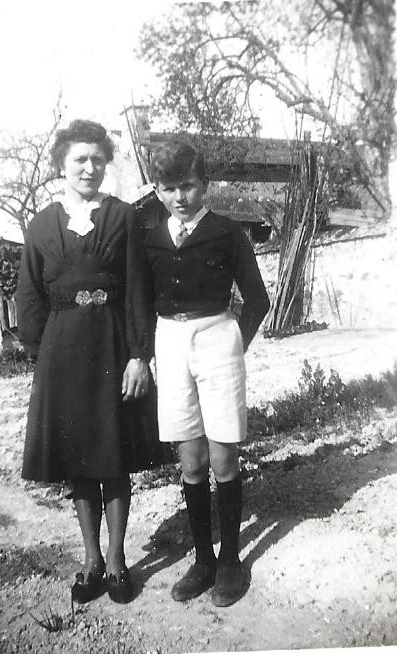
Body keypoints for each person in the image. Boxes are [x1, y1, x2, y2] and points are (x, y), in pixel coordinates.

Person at [16, 119, 163, 605]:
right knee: (80, 461)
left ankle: (117, 561)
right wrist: (44, 355)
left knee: (113, 456)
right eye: (80, 158)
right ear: (61, 164)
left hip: (113, 347)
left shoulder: (123, 217)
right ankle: (91, 560)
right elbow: (29, 297)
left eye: (98, 159)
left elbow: (139, 289)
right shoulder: (41, 225)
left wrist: (139, 355)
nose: (89, 167)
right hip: (63, 357)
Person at [144, 140, 270, 607]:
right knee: (192, 460)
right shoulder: (151, 238)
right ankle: (203, 559)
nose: (180, 197)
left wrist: (235, 342)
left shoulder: (227, 232)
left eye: (189, 186)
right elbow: (141, 299)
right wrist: (146, 349)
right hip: (170, 343)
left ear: (205, 185)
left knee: (223, 457)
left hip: (218, 338)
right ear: (157, 190)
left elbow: (257, 299)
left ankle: (231, 560)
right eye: (169, 188)